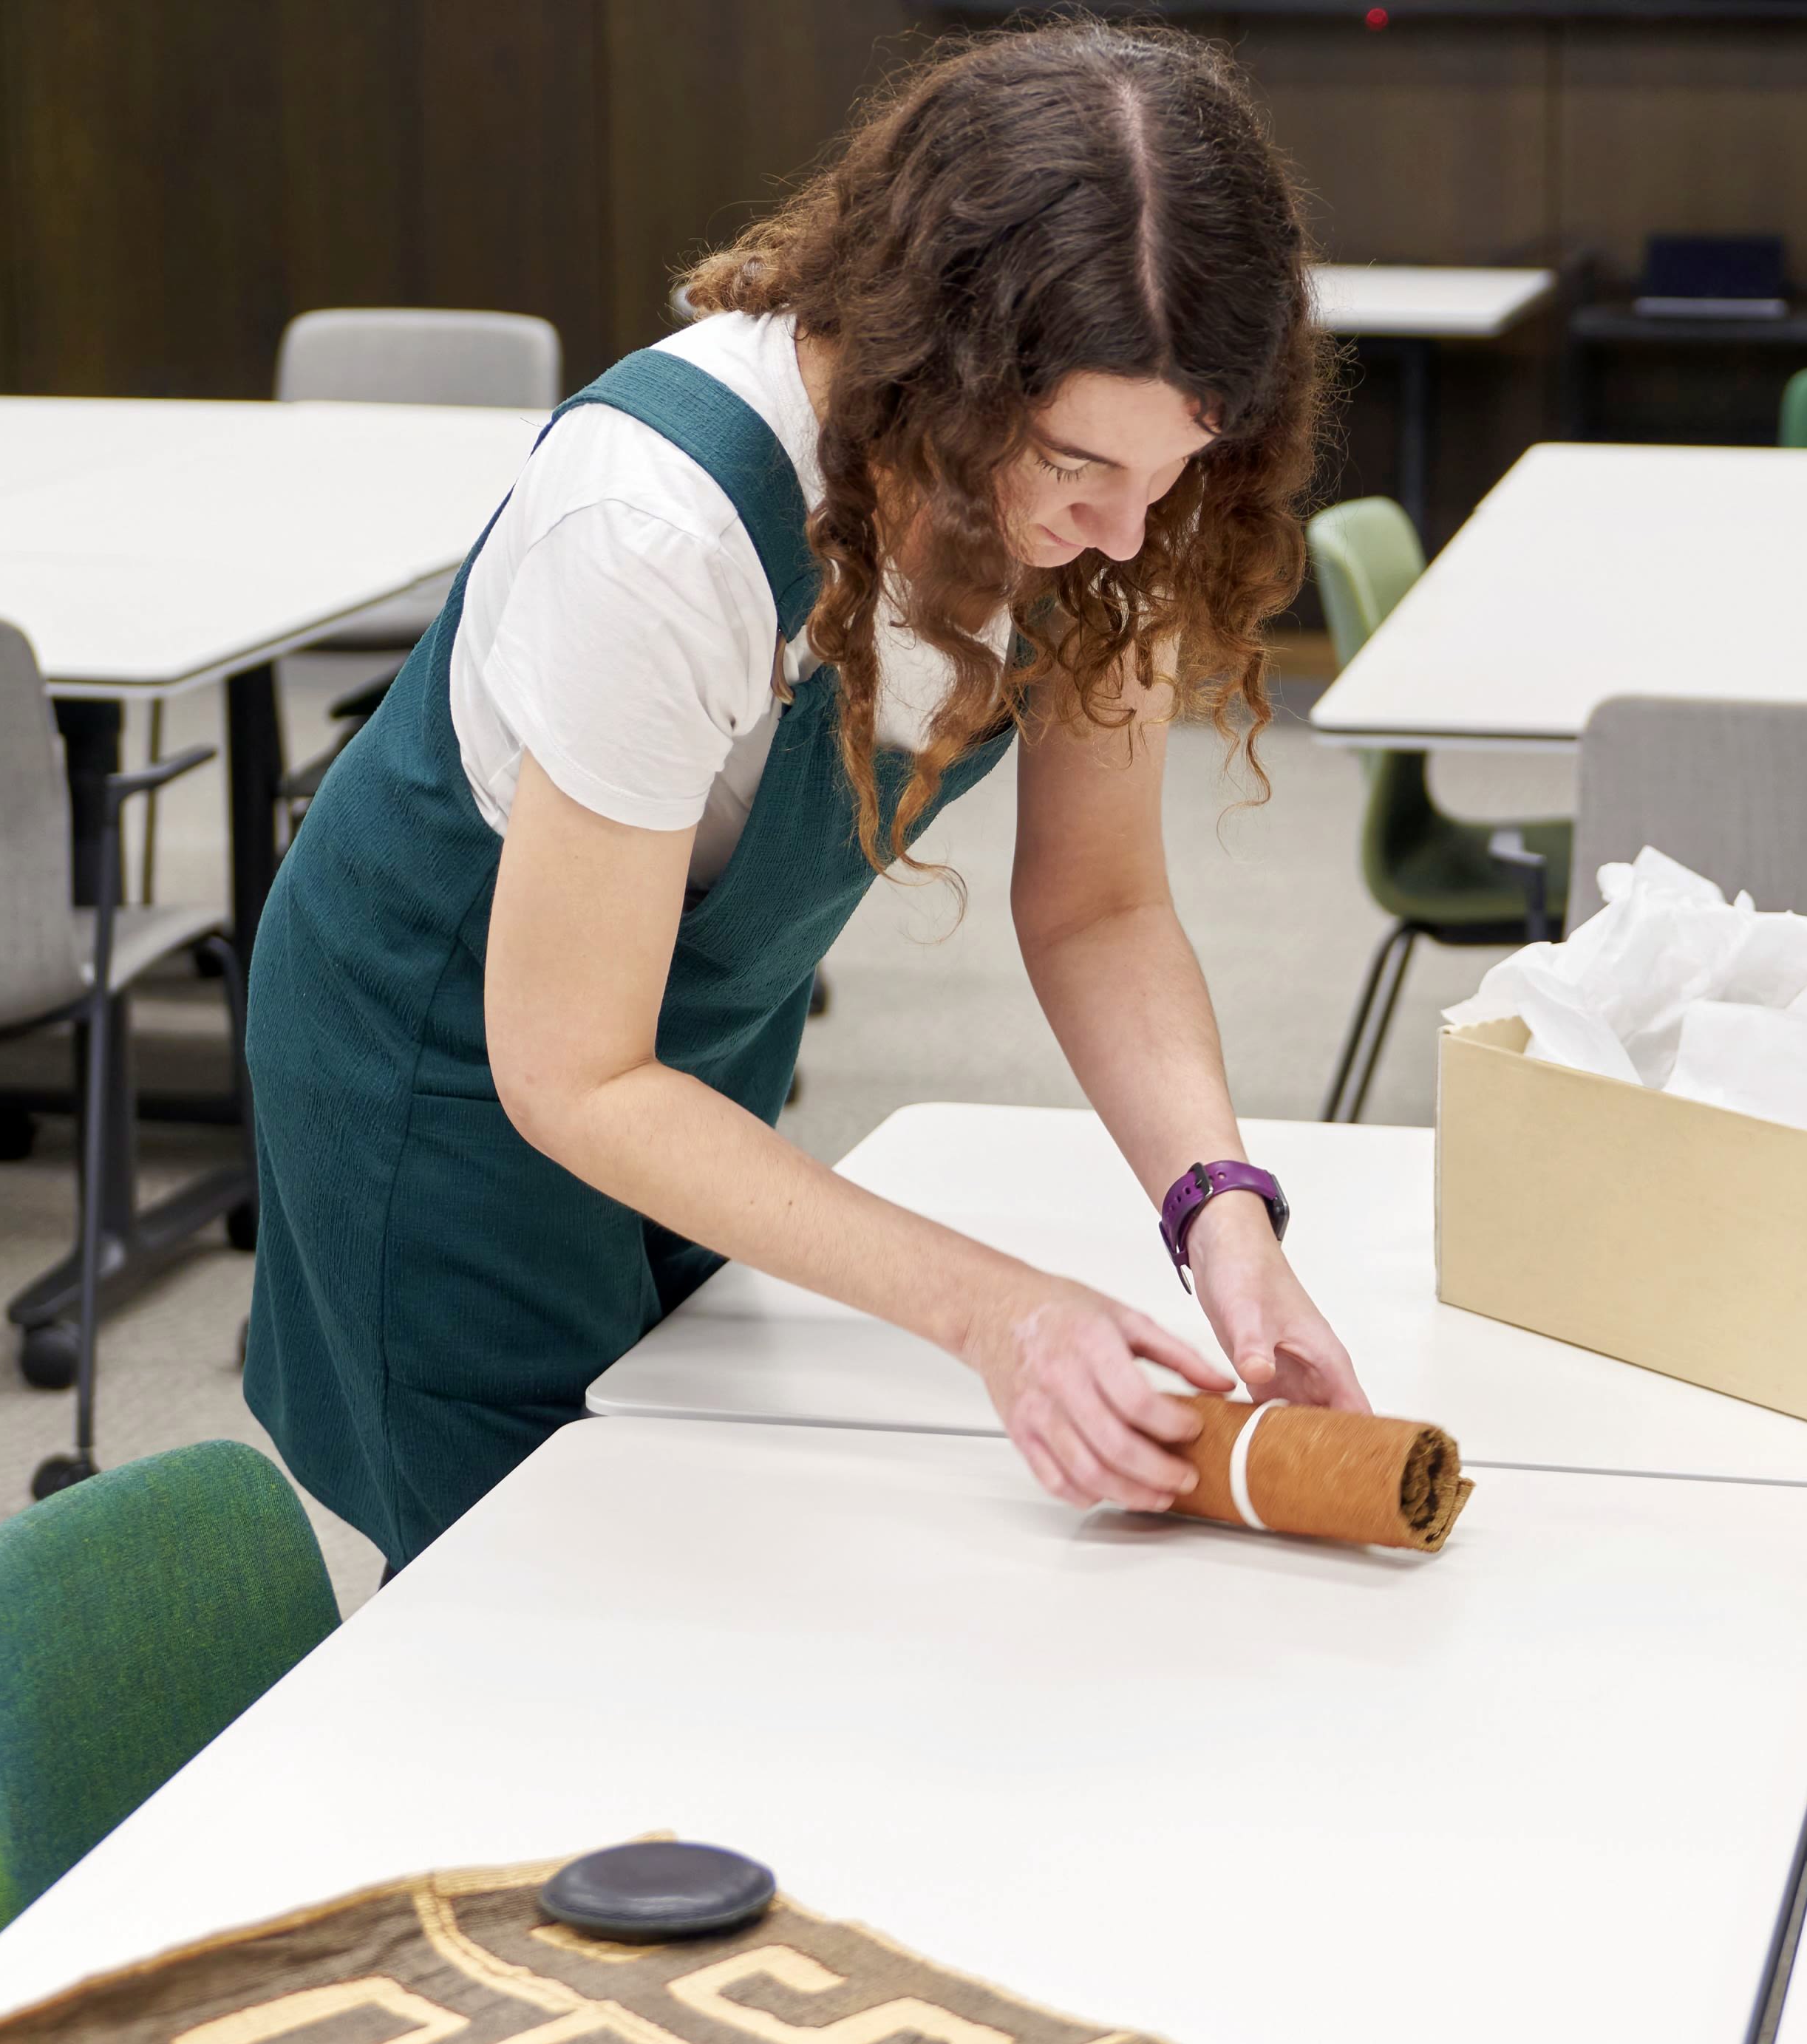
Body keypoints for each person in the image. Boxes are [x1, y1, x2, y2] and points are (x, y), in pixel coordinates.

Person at [244, 22, 1368, 1572]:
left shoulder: (1119, 504)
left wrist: (1222, 1216)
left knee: (690, 1522)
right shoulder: (660, 525)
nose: (1125, 530)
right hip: (443, 1064)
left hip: (686, 1047)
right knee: (529, 1589)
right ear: (938, 368)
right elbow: (571, 1070)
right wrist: (1000, 1311)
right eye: (1070, 465)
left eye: (1172, 469)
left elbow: (1099, 906)